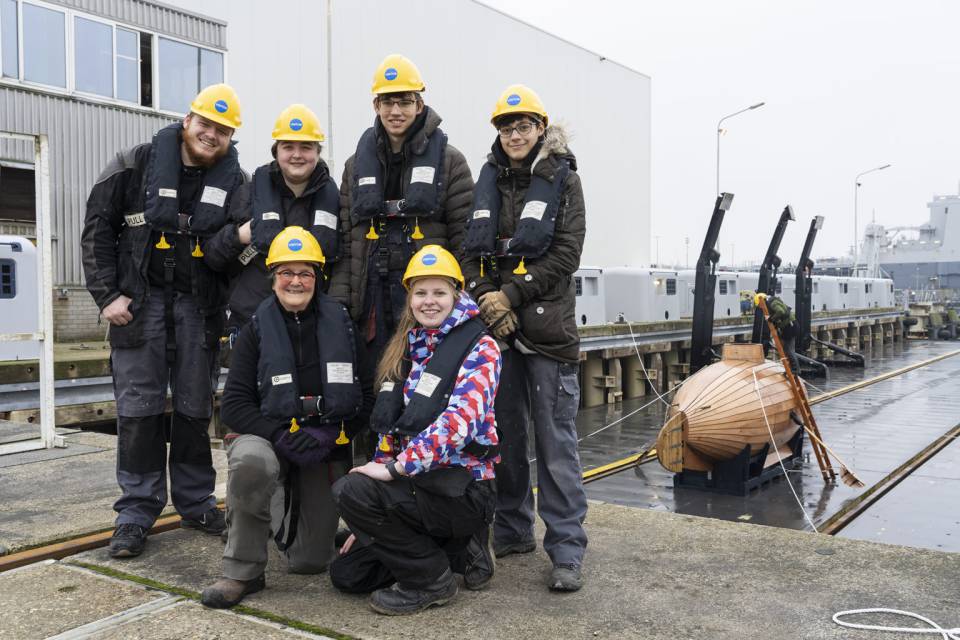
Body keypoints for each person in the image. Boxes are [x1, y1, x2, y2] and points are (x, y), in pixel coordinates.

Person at [82, 84, 247, 558]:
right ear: (188, 119)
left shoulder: (237, 183)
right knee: (138, 410)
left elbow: (239, 254)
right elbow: (97, 231)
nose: (211, 135)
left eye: (222, 130)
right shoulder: (133, 164)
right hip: (138, 304)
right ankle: (136, 511)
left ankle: (196, 502)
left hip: (199, 307)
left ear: (231, 135)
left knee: (195, 408)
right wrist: (107, 295)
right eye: (205, 124)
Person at [201, 227, 373, 608]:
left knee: (310, 562)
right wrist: (279, 436)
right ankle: (242, 570)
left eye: (305, 273)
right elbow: (233, 407)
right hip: (269, 438)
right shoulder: (255, 330)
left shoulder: (343, 326)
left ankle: (280, 502)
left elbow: (368, 398)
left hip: (320, 445)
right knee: (251, 462)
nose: (296, 281)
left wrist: (333, 436)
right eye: (286, 273)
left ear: (318, 277)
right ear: (273, 277)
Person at [461, 84, 589, 592]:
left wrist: (510, 296)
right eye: (506, 127)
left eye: (524, 126)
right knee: (504, 438)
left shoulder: (565, 182)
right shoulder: (486, 182)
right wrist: (488, 300)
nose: (515, 134)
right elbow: (470, 252)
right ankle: (512, 531)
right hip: (498, 334)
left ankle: (566, 550)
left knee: (556, 445)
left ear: (541, 128)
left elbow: (565, 255)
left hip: (549, 336)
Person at [329, 245, 501, 615]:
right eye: (420, 293)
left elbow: (461, 420)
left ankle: (432, 579)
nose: (429, 302)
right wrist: (368, 520)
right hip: (417, 487)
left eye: (439, 292)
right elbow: (390, 430)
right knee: (348, 575)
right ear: (409, 298)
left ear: (456, 294)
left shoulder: (481, 348)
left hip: (463, 488)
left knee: (350, 489)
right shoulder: (405, 347)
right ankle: (460, 551)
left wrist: (393, 471)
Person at [327, 54, 474, 372]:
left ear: (419, 105)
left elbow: (465, 242)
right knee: (375, 387)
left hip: (428, 299)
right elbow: (346, 244)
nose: (396, 111)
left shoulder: (451, 163)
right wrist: (339, 307)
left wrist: (466, 304)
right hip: (372, 302)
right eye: (388, 102)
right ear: (376, 106)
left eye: (405, 102)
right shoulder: (355, 167)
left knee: (425, 385)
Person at [203, 104, 344, 336]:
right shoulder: (248, 194)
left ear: (317, 154)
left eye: (306, 147)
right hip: (252, 319)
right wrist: (239, 235)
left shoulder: (335, 199)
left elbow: (343, 259)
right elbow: (213, 257)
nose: (297, 155)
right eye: (288, 147)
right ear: (276, 152)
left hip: (311, 322)